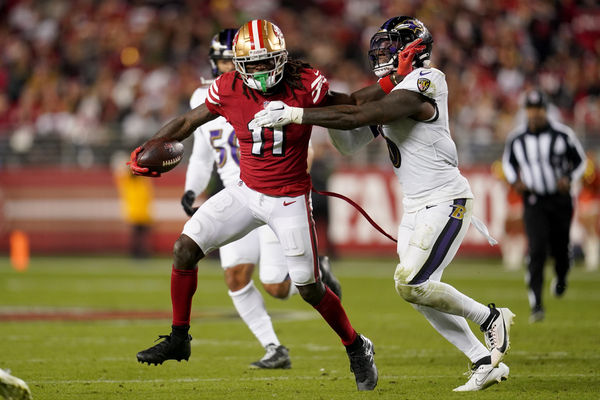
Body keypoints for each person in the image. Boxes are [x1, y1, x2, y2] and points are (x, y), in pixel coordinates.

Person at [254, 16, 515, 392]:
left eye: (389, 48)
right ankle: (480, 359)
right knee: (417, 290)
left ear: (412, 50)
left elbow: (364, 113)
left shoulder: (428, 80)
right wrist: (308, 95)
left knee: (413, 282)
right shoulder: (393, 88)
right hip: (415, 205)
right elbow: (350, 123)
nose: (381, 56)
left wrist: (297, 114)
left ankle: (491, 317)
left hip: (446, 199)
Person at [129, 20, 377, 391]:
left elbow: (350, 109)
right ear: (238, 63)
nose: (260, 71)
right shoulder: (228, 86)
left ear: (280, 58)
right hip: (245, 191)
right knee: (184, 248)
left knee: (308, 288)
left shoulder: (303, 81)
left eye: (267, 62)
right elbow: (187, 121)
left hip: (289, 198)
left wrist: (300, 113)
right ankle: (179, 337)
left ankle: (356, 346)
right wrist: (147, 146)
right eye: (253, 63)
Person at [180, 28, 341, 369]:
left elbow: (302, 141)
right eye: (224, 61)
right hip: (236, 195)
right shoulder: (209, 96)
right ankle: (273, 348)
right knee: (235, 277)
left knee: (277, 286)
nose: (228, 67)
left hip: (275, 192)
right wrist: (192, 189)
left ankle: (317, 273)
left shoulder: (271, 91)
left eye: (230, 61)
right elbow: (202, 154)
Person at [502, 89, 586, 323]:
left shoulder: (562, 134)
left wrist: (569, 179)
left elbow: (580, 161)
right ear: (526, 111)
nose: (534, 114)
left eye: (538, 109)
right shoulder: (517, 139)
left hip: (559, 200)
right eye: (530, 109)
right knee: (536, 250)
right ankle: (536, 304)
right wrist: (515, 181)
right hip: (534, 200)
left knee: (560, 249)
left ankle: (561, 276)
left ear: (545, 110)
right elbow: (508, 164)